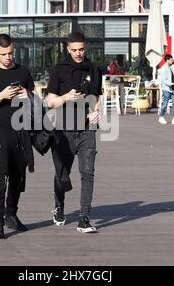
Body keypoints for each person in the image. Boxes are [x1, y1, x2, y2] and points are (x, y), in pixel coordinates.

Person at [0, 34, 35, 239]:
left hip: (21, 133)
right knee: (0, 176)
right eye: (3, 54)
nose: (8, 57)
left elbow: (36, 103)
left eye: (10, 53)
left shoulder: (23, 72)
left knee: (18, 177)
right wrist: (2, 95)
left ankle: (12, 213)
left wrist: (26, 95)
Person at [46, 32, 102, 233]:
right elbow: (49, 101)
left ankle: (84, 218)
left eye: (82, 49)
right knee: (63, 175)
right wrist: (65, 98)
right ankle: (59, 206)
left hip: (87, 130)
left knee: (88, 173)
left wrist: (97, 111)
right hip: (63, 130)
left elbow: (97, 95)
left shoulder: (94, 69)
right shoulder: (59, 70)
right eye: (74, 50)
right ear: (68, 49)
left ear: (86, 48)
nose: (78, 53)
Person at [158, 54, 174, 125]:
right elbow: (164, 80)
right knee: (165, 103)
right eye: (171, 59)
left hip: (173, 89)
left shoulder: (170, 67)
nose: (172, 61)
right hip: (167, 88)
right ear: (167, 60)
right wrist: (172, 84)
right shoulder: (164, 68)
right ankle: (161, 117)